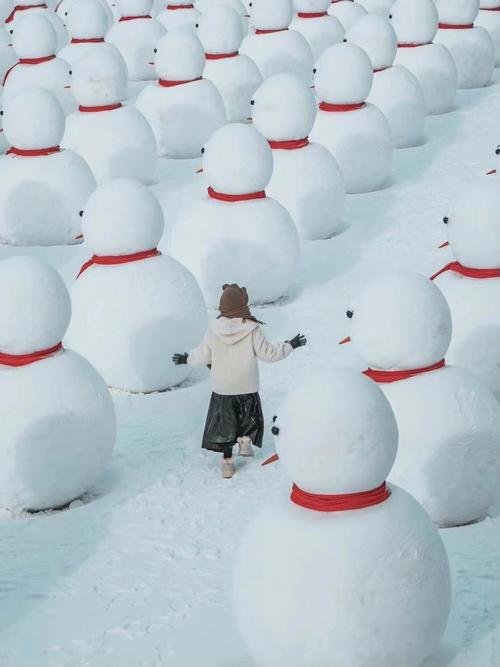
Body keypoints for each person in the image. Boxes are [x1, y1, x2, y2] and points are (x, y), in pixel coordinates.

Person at [173, 283, 306, 478]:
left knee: (225, 426)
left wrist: (186, 359)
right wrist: (290, 345)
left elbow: (202, 357)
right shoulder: (252, 328)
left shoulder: (213, 328)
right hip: (247, 385)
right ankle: (245, 441)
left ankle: (227, 464)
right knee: (247, 414)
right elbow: (268, 353)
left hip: (223, 388)